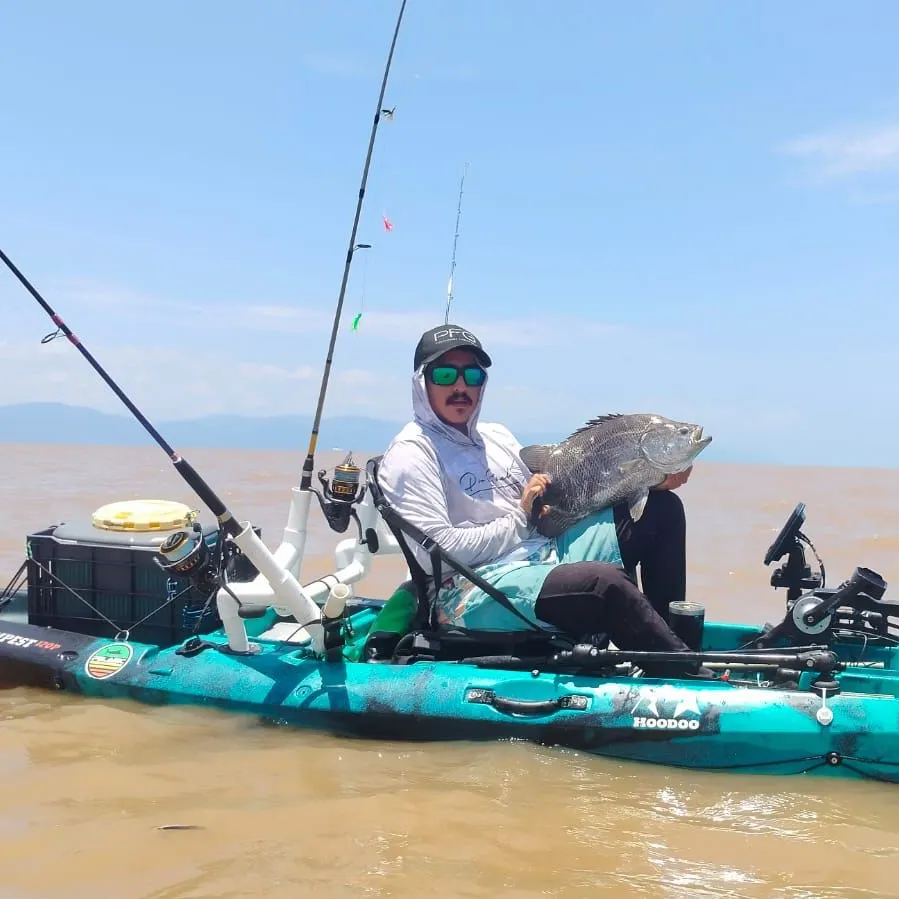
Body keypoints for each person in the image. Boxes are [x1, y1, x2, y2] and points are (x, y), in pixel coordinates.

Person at [377, 324, 695, 656]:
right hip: (469, 591)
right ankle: (686, 673)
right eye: (445, 375)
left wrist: (649, 478)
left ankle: (672, 644)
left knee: (663, 511)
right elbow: (434, 557)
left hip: (542, 553)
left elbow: (562, 492)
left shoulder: (497, 436)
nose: (460, 386)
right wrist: (519, 519)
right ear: (421, 380)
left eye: (472, 376)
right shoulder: (411, 454)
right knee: (604, 583)